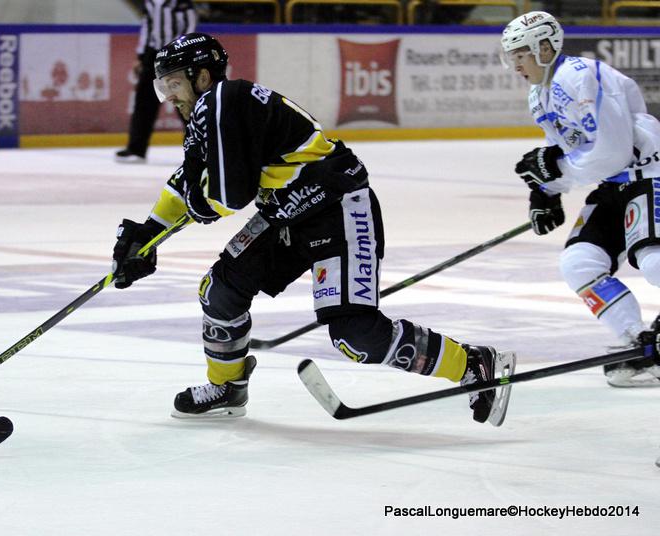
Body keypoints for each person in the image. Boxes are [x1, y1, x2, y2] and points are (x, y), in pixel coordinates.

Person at [111, 32, 515, 421]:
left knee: (355, 335)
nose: (170, 97)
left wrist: (191, 212)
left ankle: (472, 363)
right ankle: (227, 387)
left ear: (202, 76)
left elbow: (227, 197)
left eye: (174, 84)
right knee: (220, 290)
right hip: (287, 215)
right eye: (164, 87)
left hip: (338, 209)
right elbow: (189, 180)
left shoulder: (218, 102)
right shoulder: (213, 110)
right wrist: (148, 232)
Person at [501, 11, 660, 387]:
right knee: (579, 263)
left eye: (521, 54)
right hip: (613, 185)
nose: (516, 65)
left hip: (650, 174)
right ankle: (639, 343)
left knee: (654, 260)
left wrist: (556, 170)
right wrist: (545, 192)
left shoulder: (579, 76)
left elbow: (613, 151)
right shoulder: (539, 96)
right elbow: (564, 150)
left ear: (545, 48)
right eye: (512, 57)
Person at [115, 0, 197, 164]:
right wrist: (141, 56)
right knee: (144, 103)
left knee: (185, 103)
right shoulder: (151, 2)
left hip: (177, 57)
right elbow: (147, 28)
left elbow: (190, 27)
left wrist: (182, 53)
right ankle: (136, 149)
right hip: (153, 55)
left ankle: (203, 148)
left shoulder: (181, 3)